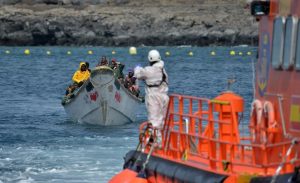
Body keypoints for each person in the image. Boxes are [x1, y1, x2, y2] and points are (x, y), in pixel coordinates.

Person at [134, 50, 169, 145]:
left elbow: (138, 74)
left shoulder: (149, 70)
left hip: (154, 96)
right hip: (164, 97)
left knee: (153, 120)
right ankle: (161, 141)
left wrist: (137, 68)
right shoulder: (163, 70)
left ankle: (156, 143)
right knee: (162, 120)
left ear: (150, 59)